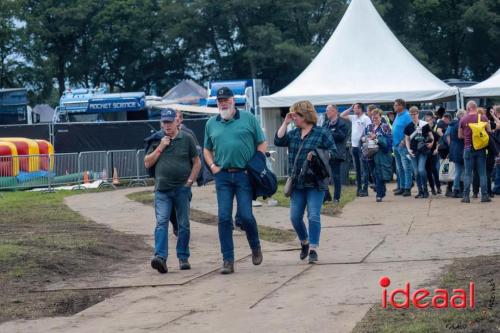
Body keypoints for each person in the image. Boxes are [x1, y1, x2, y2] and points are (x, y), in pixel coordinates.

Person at [203, 87, 267, 274]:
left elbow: (261, 142)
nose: (223, 103)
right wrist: (212, 166)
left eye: (226, 99)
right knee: (223, 217)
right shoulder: (211, 123)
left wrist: (256, 162)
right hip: (222, 175)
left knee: (246, 216)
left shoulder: (248, 118)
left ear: (233, 100)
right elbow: (207, 149)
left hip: (244, 174)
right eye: (220, 100)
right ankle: (228, 260)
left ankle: (255, 246)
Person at [275, 101, 336, 263]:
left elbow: (334, 153)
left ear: (305, 115)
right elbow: (278, 141)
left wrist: (316, 154)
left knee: (314, 215)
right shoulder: (294, 133)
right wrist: (285, 122)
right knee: (295, 217)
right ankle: (304, 241)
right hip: (297, 181)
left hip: (316, 181)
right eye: (292, 115)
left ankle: (313, 249)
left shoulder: (321, 133)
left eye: (295, 115)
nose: (293, 118)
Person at [145, 108, 201, 274]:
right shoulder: (157, 140)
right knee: (161, 222)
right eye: (164, 122)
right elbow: (147, 163)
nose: (167, 125)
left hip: (181, 189)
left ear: (177, 122)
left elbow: (197, 162)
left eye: (169, 122)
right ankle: (160, 257)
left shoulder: (187, 138)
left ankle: (183, 257)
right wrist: (161, 147)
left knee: (183, 224)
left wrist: (190, 182)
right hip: (162, 190)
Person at [458, 101, 492, 203]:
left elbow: (459, 136)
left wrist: (468, 137)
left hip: (468, 148)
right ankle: (485, 196)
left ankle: (466, 197)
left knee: (468, 173)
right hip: (481, 149)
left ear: (468, 108)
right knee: (482, 173)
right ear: (476, 107)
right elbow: (489, 131)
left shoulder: (463, 119)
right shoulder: (483, 117)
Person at [360, 109, 393, 202]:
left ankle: (379, 194)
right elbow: (363, 138)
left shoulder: (385, 127)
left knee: (378, 173)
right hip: (370, 154)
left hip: (380, 154)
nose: (374, 119)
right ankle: (382, 190)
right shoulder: (369, 127)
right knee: (374, 174)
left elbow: (388, 142)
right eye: (373, 117)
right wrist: (365, 138)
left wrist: (377, 138)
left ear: (380, 117)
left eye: (376, 117)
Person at [340, 103, 371, 197]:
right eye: (353, 108)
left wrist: (364, 141)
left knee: (364, 169)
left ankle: (365, 189)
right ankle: (359, 189)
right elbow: (342, 115)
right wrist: (350, 108)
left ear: (361, 109)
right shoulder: (354, 117)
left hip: (362, 147)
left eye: (356, 108)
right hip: (354, 147)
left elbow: (369, 132)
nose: (354, 110)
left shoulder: (366, 118)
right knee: (357, 169)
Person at [405, 106, 434, 198]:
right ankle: (420, 190)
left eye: (415, 114)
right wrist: (408, 149)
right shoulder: (408, 126)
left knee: (421, 170)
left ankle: (425, 190)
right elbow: (407, 139)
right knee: (416, 172)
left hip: (423, 150)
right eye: (411, 114)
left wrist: (432, 143)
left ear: (418, 113)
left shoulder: (424, 124)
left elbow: (431, 135)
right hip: (413, 151)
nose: (413, 115)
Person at [323, 105, 349, 204]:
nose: (326, 112)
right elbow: (322, 135)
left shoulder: (342, 123)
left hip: (336, 153)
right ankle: (327, 197)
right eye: (326, 111)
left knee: (336, 176)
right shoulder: (326, 124)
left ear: (334, 111)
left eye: (328, 110)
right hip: (325, 153)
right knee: (323, 175)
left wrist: (329, 133)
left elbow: (342, 136)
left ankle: (336, 198)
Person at [391, 99, 413, 196]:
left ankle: (407, 188)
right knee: (399, 168)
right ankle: (402, 186)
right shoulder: (398, 115)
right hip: (396, 145)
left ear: (401, 106)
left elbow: (412, 130)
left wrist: (404, 141)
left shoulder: (407, 116)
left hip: (403, 146)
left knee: (406, 167)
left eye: (396, 105)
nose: (394, 107)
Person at [446, 110, 466, 198]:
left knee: (458, 171)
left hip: (453, 149)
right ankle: (458, 189)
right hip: (461, 149)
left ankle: (455, 189)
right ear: (461, 115)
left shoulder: (452, 124)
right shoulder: (461, 125)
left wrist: (451, 146)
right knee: (462, 171)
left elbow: (447, 136)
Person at [424, 112, 441, 195]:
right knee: (428, 171)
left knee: (434, 170)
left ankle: (438, 187)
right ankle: (432, 188)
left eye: (430, 120)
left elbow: (438, 141)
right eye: (427, 120)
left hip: (433, 153)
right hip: (425, 154)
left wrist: (436, 149)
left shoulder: (434, 131)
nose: (428, 122)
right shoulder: (423, 132)